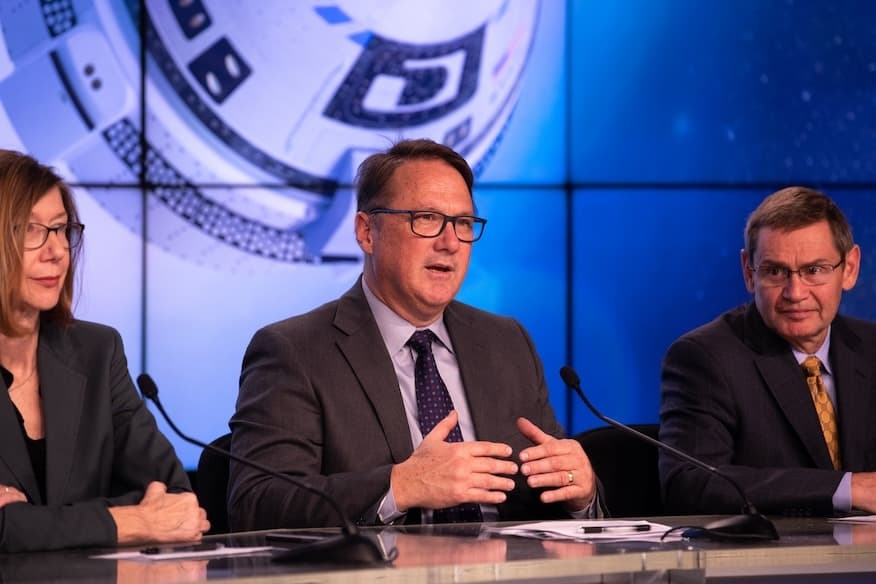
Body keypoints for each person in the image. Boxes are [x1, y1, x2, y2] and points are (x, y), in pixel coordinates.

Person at [228, 139, 601, 529]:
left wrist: (581, 494)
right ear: (366, 232)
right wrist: (401, 486)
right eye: (426, 218)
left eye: (463, 223)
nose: (450, 243)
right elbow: (256, 503)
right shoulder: (295, 351)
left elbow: (552, 492)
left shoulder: (506, 342)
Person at [0, 150, 209, 552]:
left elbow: (176, 497)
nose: (56, 250)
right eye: (31, 230)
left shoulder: (97, 351)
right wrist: (132, 520)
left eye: (61, 229)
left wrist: (30, 523)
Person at [659, 186, 876, 516]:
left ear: (849, 269)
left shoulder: (870, 348)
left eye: (814, 270)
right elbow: (690, 483)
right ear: (749, 273)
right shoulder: (705, 358)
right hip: (769, 549)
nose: (795, 293)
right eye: (775, 271)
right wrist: (847, 488)